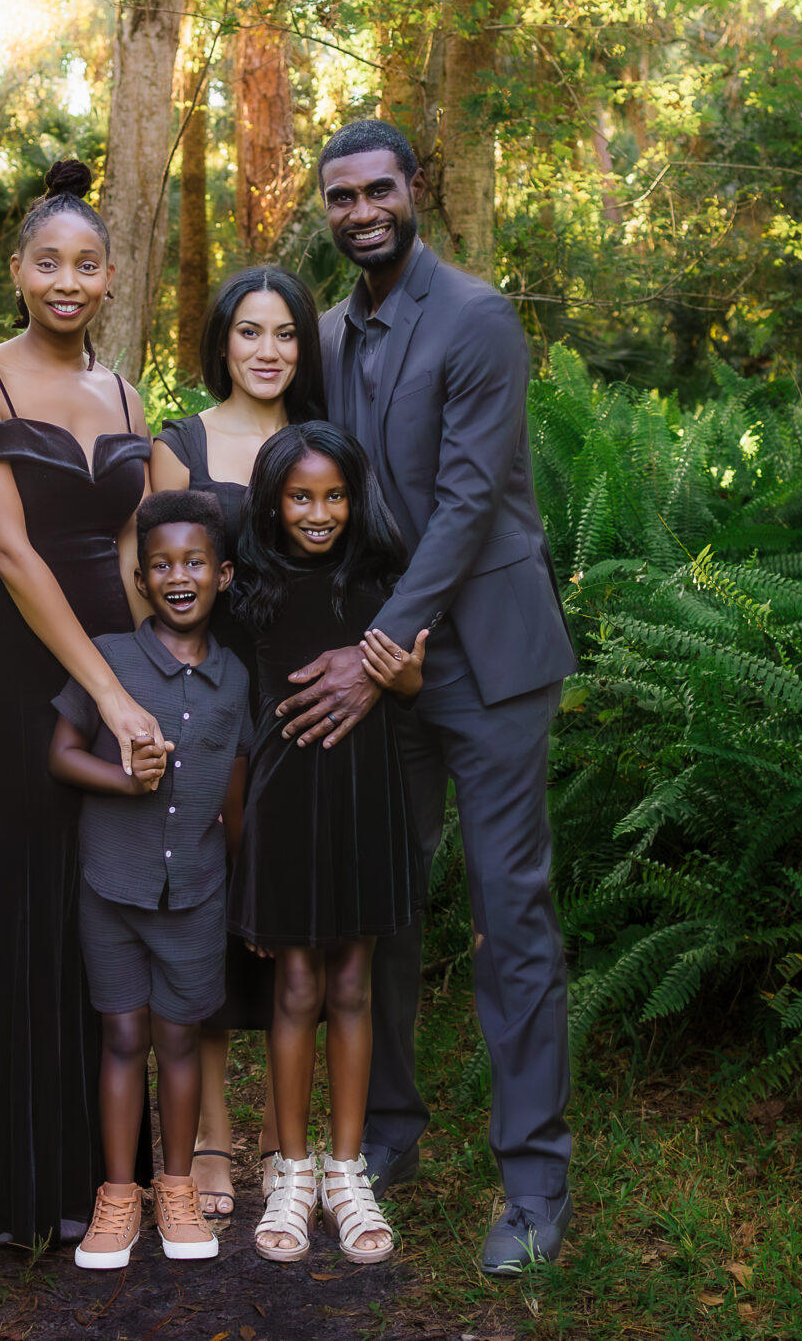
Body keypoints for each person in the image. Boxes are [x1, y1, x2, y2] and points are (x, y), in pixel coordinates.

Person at [274, 119, 579, 1274]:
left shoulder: (477, 320)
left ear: (415, 192)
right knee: (379, 904)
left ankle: (534, 1185)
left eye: (377, 190)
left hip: (481, 657)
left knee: (510, 918)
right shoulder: (332, 336)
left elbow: (465, 503)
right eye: (338, 195)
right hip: (379, 659)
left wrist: (379, 647)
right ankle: (385, 1132)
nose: (359, 211)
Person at [0, 158, 162, 1249]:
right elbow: (14, 556)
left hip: (106, 657)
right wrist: (109, 691)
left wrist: (147, 675)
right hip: (7, 669)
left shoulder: (125, 396)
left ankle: (95, 1174)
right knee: (16, 887)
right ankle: (1, 1187)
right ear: (16, 272)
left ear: (109, 278)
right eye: (46, 263)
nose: (66, 281)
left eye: (86, 264)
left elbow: (129, 546)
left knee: (92, 902)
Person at [149, 264, 327, 1220]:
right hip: (209, 700)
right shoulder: (181, 443)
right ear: (222, 341)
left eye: (287, 334)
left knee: (287, 914)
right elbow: (153, 580)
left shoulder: (317, 443)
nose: (269, 351)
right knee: (207, 914)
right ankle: (213, 1128)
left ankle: (279, 1128)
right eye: (251, 332)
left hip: (299, 705)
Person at [228, 423, 428, 1265]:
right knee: (298, 982)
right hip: (285, 809)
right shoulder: (250, 593)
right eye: (302, 497)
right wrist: (241, 849)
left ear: (357, 497)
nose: (320, 512)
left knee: (353, 979)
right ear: (273, 501)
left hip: (364, 803)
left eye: (335, 495)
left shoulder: (380, 579)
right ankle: (292, 1171)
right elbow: (234, 728)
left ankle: (349, 1173)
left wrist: (402, 676)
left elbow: (415, 682)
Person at [47, 490, 252, 1269]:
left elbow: (234, 792)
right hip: (113, 889)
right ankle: (119, 1196)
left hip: (197, 895)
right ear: (140, 578)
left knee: (179, 1038)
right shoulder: (108, 662)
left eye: (194, 562)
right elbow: (60, 753)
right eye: (161, 563)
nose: (178, 575)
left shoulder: (236, 680)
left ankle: (176, 1187)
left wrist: (245, 887)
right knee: (125, 1036)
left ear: (223, 574)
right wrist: (121, 780)